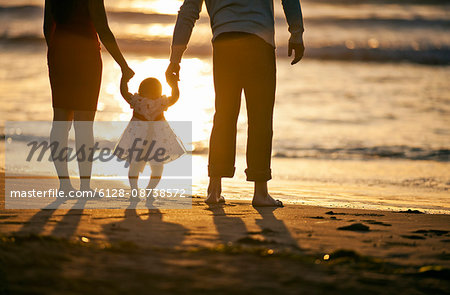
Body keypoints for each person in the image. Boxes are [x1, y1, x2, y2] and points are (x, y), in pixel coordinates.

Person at [166, 0, 305, 206]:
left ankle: (214, 189)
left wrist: (175, 58)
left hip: (225, 42)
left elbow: (189, 11)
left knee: (224, 115)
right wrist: (296, 32)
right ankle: (260, 192)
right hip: (259, 41)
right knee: (260, 117)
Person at [44, 0, 134, 193]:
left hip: (59, 52)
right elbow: (103, 28)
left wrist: (57, 53)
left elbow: (47, 27)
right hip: (86, 55)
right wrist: (123, 66)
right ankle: (85, 186)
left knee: (60, 120)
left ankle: (65, 184)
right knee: (84, 124)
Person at [114, 75, 186, 192]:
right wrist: (173, 84)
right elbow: (175, 96)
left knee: (137, 166)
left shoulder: (138, 101)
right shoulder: (160, 102)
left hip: (140, 139)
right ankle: (146, 189)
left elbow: (124, 92)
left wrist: (124, 78)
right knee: (155, 167)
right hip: (156, 140)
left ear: (140, 90)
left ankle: (138, 189)